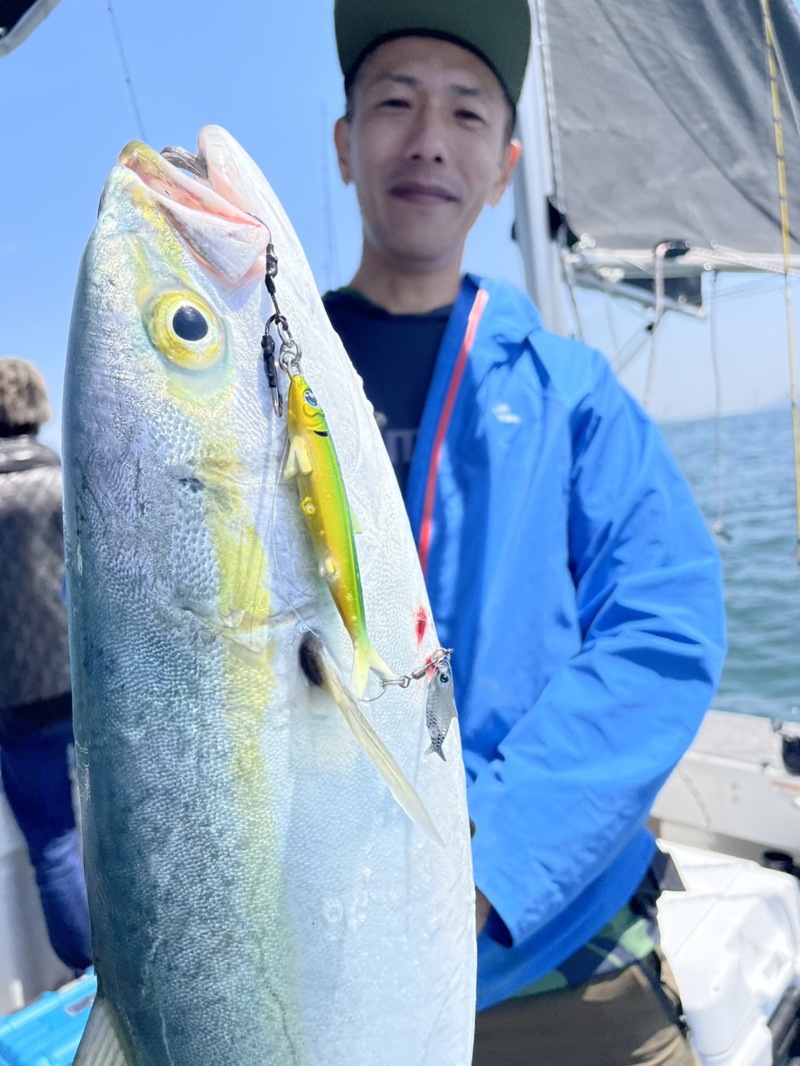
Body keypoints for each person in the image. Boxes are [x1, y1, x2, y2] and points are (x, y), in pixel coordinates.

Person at [323, 2, 727, 1063]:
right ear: (342, 144)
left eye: (462, 112)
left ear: (500, 168)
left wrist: (479, 864)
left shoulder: (572, 394)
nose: (425, 139)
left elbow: (662, 627)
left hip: (555, 953)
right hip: (316, 956)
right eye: (393, 103)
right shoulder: (262, 373)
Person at [0, 357, 92, 975]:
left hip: (15, 697)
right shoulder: (67, 482)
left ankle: (87, 974)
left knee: (55, 845)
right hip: (86, 683)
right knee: (123, 826)